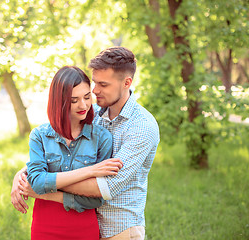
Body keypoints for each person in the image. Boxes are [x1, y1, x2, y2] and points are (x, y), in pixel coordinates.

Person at [12, 47, 160, 240]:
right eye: (95, 83)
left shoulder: (142, 126)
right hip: (89, 224)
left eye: (103, 85)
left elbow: (103, 187)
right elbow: (57, 155)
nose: (95, 90)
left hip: (120, 229)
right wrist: (24, 173)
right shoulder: (95, 112)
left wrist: (43, 187)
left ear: (126, 83)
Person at [18, 65, 124, 240]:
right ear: (59, 101)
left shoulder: (102, 138)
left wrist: (45, 191)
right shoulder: (40, 136)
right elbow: (36, 182)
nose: (83, 105)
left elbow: (97, 199)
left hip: (83, 227)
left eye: (87, 97)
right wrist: (90, 171)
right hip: (45, 227)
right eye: (74, 100)